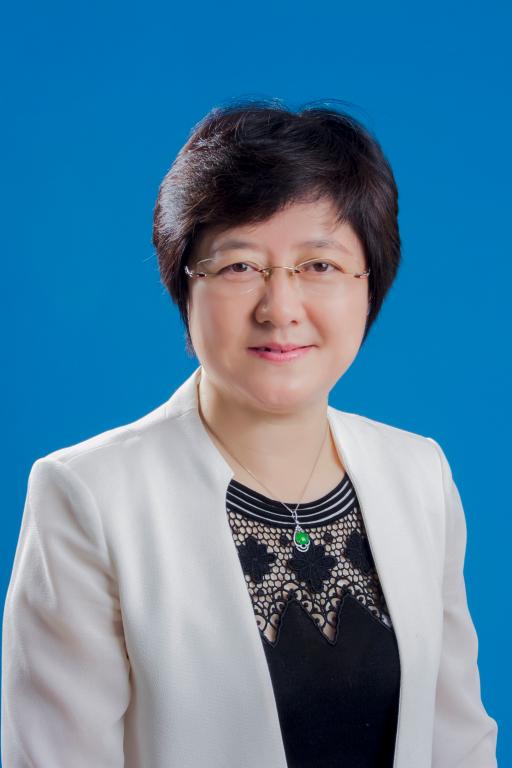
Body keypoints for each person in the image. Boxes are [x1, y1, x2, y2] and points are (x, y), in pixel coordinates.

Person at [2, 99, 498, 768]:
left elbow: (458, 743)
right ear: (185, 286)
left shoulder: (419, 474)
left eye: (319, 265)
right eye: (239, 266)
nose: (280, 308)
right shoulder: (88, 496)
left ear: (369, 285)